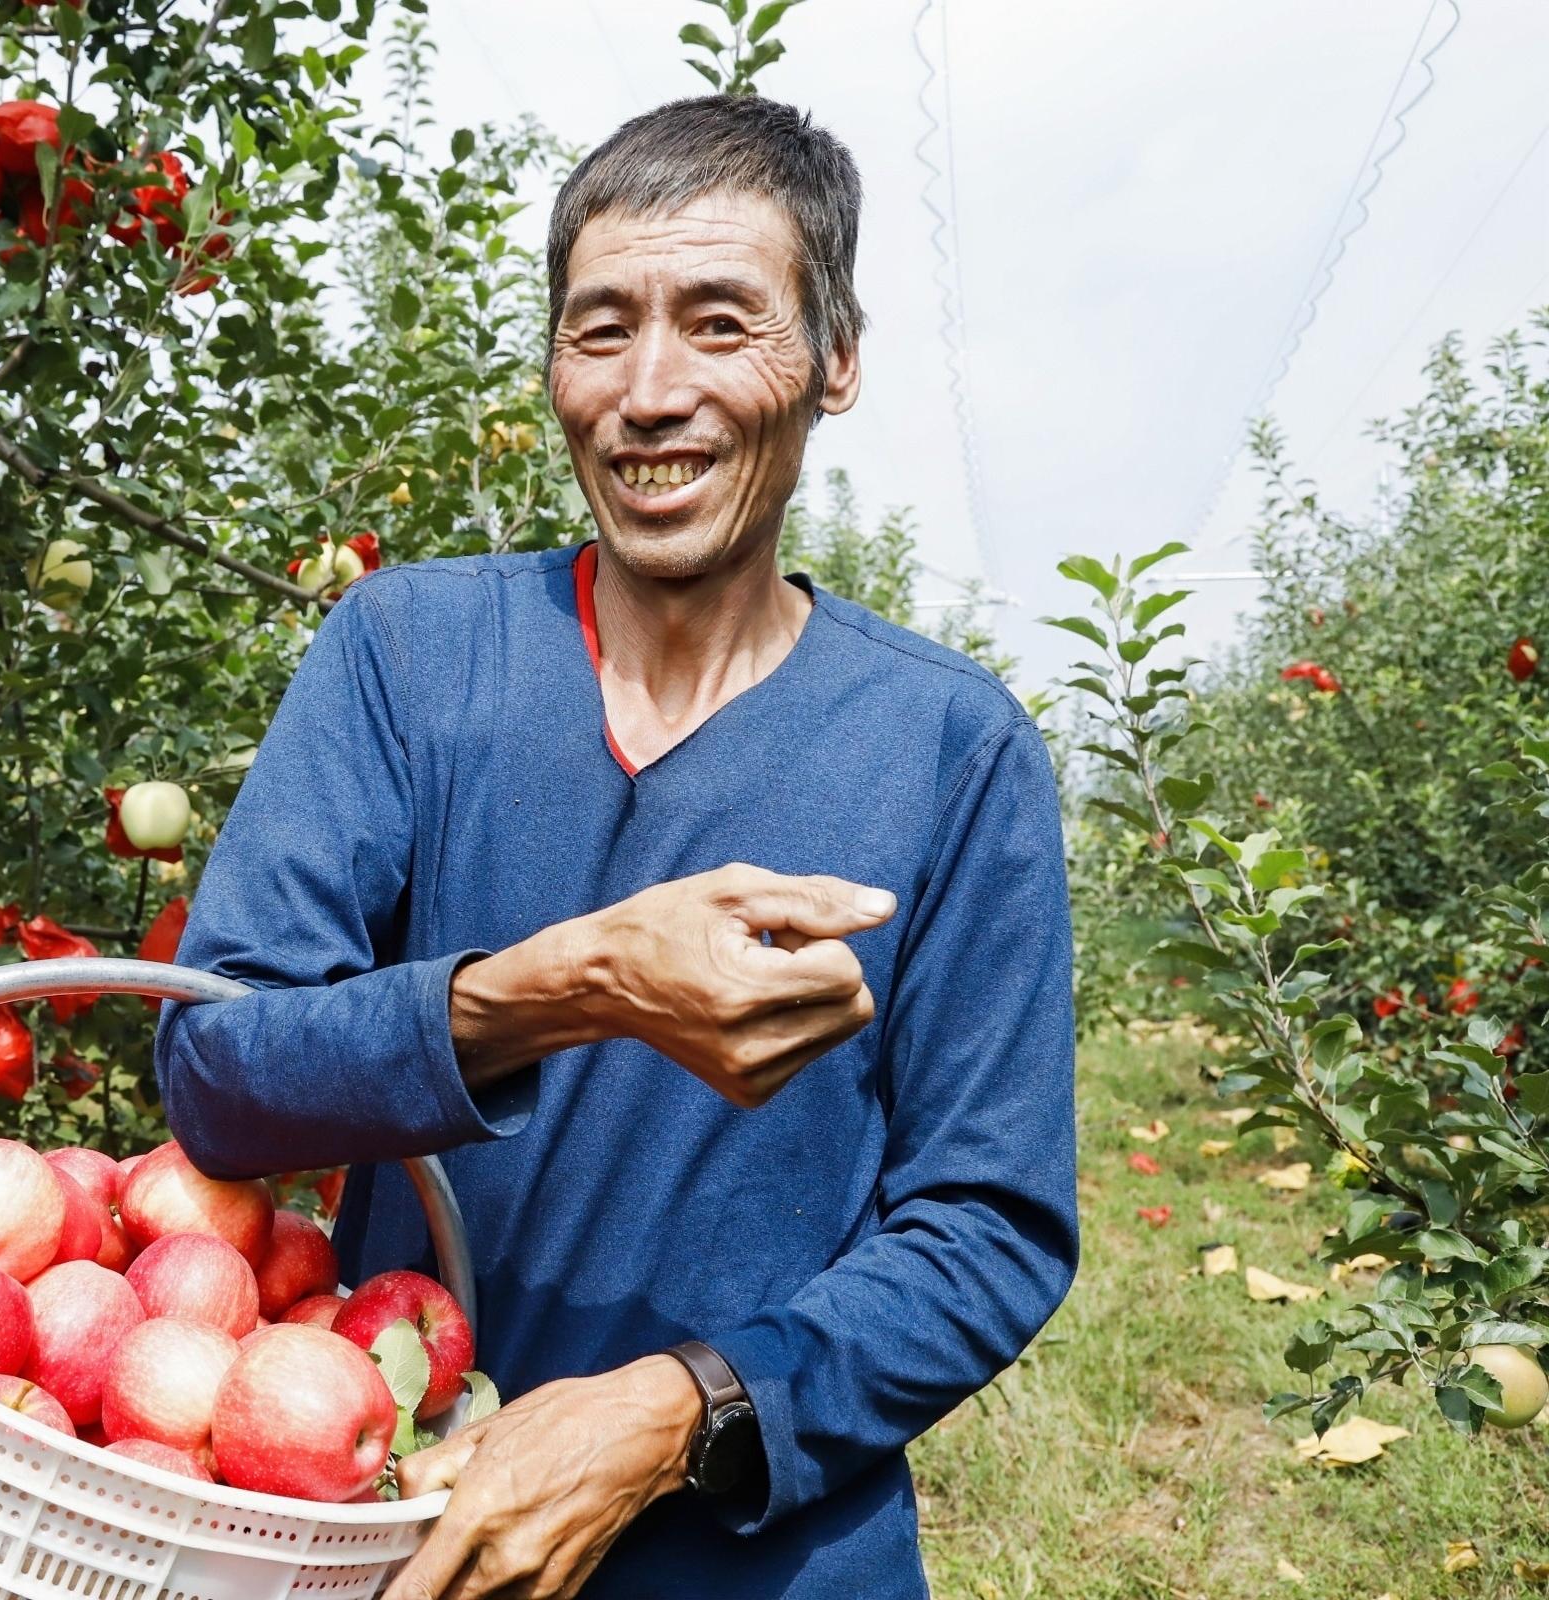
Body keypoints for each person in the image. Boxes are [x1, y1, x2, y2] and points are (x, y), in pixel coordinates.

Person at [154, 93, 1077, 1599]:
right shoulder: (407, 657)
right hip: (383, 1519)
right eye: (601, 331)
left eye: (722, 323)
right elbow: (216, 1075)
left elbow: (989, 1228)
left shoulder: (948, 750)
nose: (651, 392)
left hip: (761, 1560)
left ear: (835, 361)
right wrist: (566, 986)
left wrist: (673, 1412)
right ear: (553, 369)